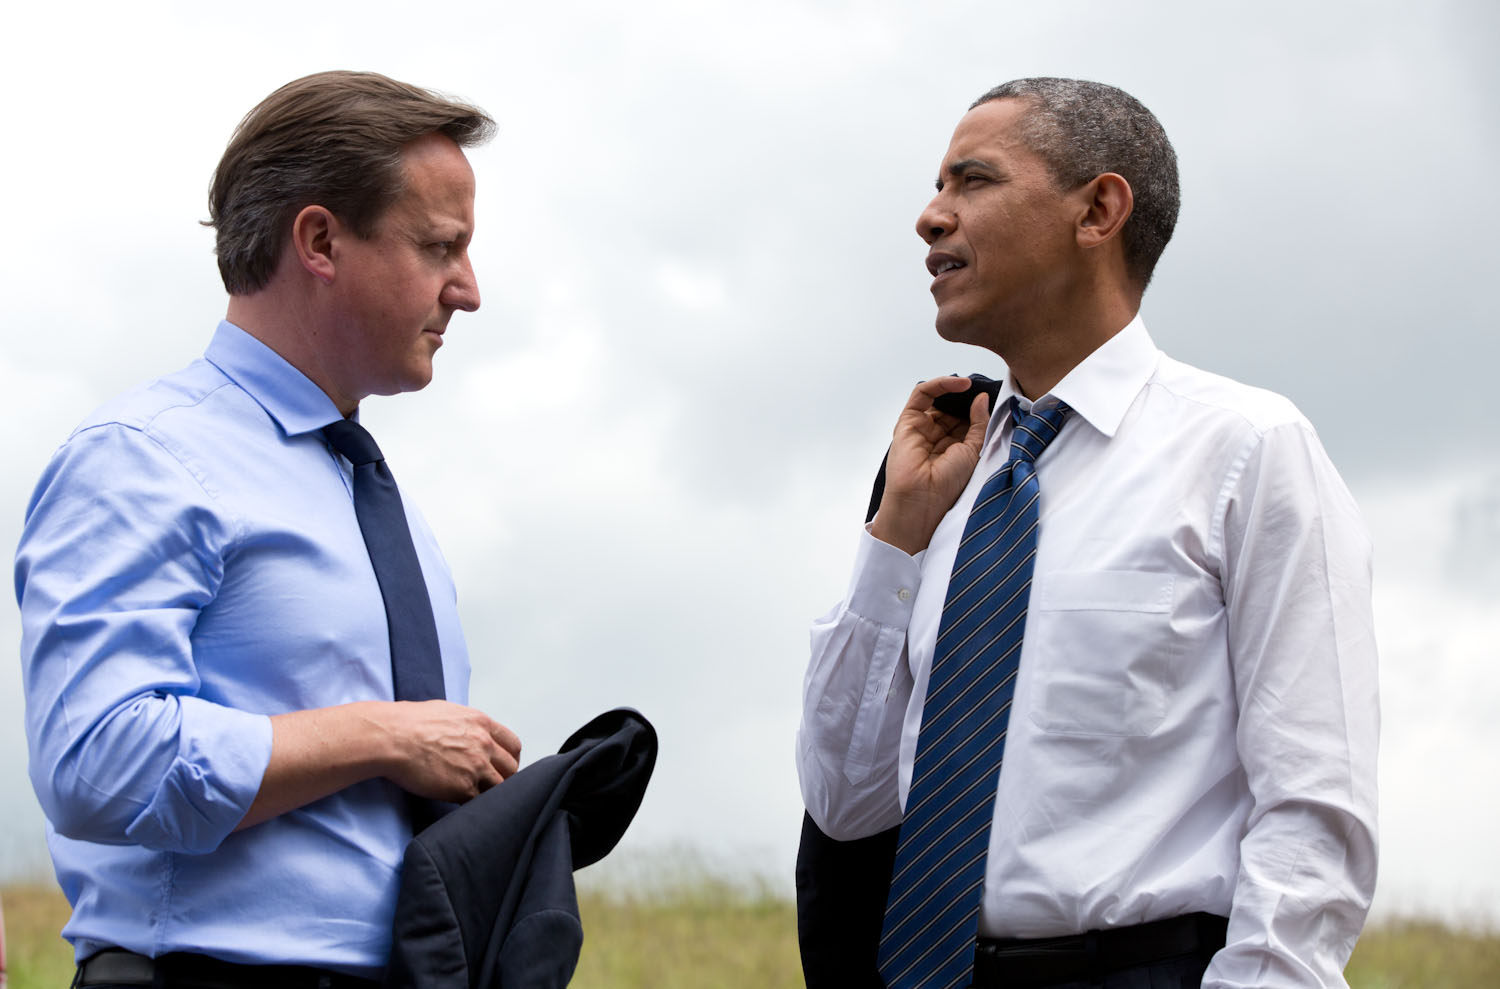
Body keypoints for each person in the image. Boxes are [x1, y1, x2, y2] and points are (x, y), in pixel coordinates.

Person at [796, 77, 1378, 989]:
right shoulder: (946, 471)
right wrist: (897, 536)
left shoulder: (1247, 450)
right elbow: (846, 801)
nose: (929, 217)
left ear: (1099, 209)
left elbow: (1314, 805)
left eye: (971, 180)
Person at [16, 70, 522, 987]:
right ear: (321, 240)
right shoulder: (143, 458)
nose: (469, 290)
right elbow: (92, 758)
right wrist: (383, 735)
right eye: (440, 246)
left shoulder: (372, 493)